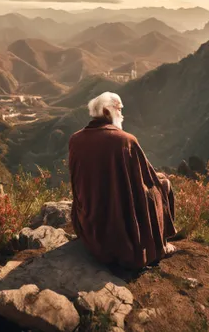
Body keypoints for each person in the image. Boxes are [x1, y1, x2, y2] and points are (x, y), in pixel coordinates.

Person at [69, 91, 176, 269]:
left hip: (89, 225)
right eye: (119, 109)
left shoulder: (75, 139)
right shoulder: (125, 140)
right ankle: (161, 245)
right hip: (120, 229)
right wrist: (161, 180)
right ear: (105, 112)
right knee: (163, 184)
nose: (122, 114)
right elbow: (147, 178)